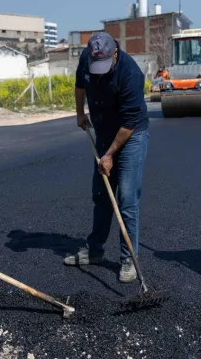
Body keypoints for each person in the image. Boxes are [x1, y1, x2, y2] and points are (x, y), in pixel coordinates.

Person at [64, 32, 150, 283]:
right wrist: (80, 113)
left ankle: (128, 259)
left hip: (131, 134)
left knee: (126, 197)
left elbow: (130, 122)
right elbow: (80, 86)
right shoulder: (87, 57)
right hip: (102, 131)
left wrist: (110, 154)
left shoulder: (130, 74)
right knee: (101, 194)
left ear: (115, 52)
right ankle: (95, 251)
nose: (99, 72)